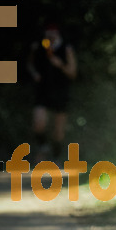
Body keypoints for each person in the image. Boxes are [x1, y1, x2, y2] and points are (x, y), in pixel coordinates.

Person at [27, 22, 77, 162]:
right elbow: (30, 64)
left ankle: (56, 158)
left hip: (61, 91)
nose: (50, 38)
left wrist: (60, 65)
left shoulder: (66, 49)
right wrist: (34, 73)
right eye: (48, 35)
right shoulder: (39, 47)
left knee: (58, 132)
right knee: (38, 123)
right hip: (43, 90)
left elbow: (73, 73)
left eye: (53, 35)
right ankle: (43, 147)